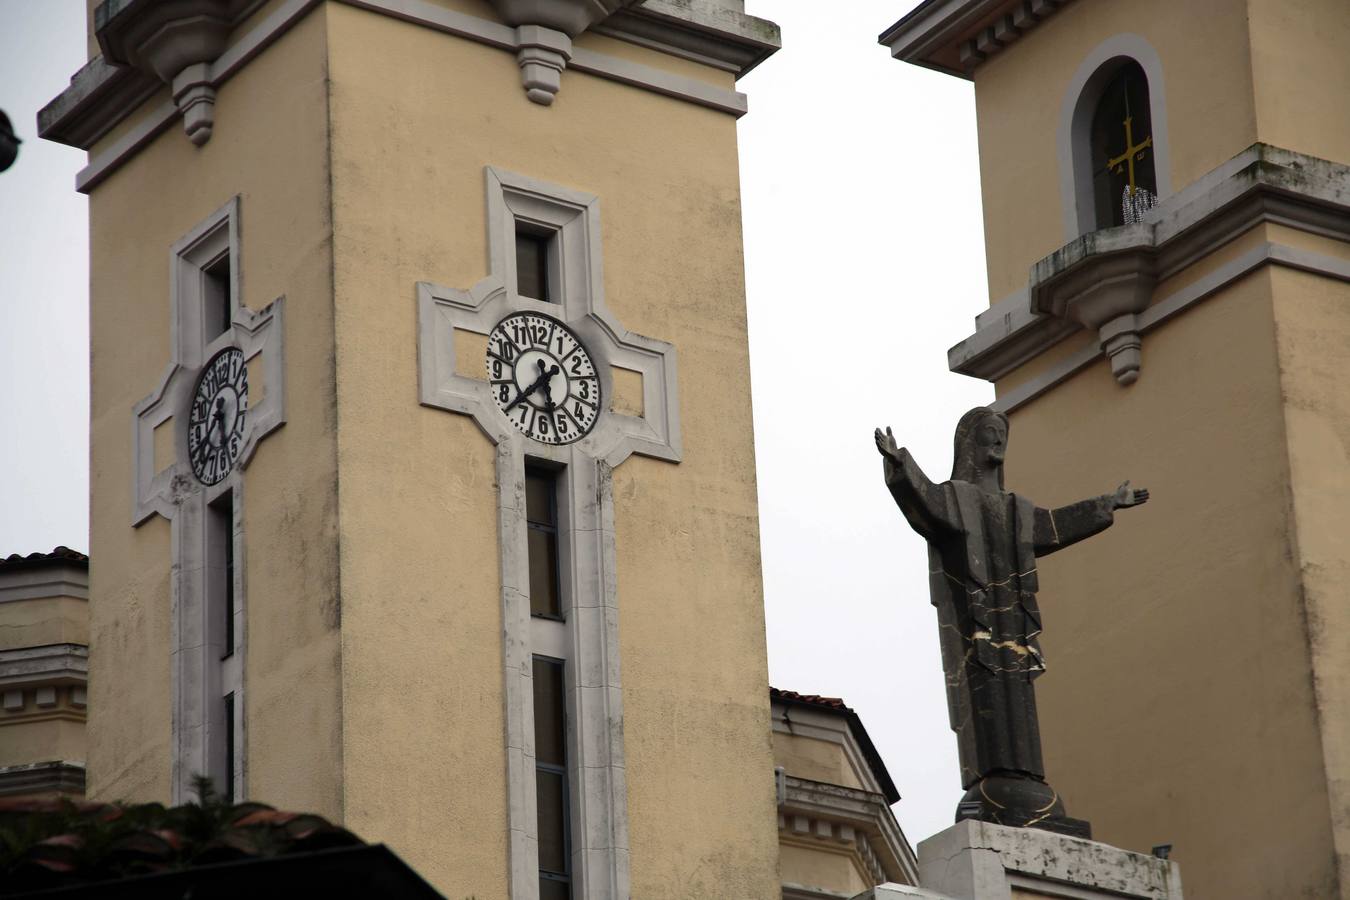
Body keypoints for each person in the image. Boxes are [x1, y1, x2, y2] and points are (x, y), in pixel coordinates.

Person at [874, 407, 1147, 835]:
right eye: (990, 432)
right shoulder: (958, 499)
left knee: (1019, 697)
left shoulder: (1016, 509)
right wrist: (900, 464)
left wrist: (1106, 504)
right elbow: (925, 500)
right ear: (970, 443)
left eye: (1003, 434)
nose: (999, 441)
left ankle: (1027, 782)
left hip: (1014, 629)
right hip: (977, 626)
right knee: (986, 695)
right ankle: (995, 786)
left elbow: (1054, 525)